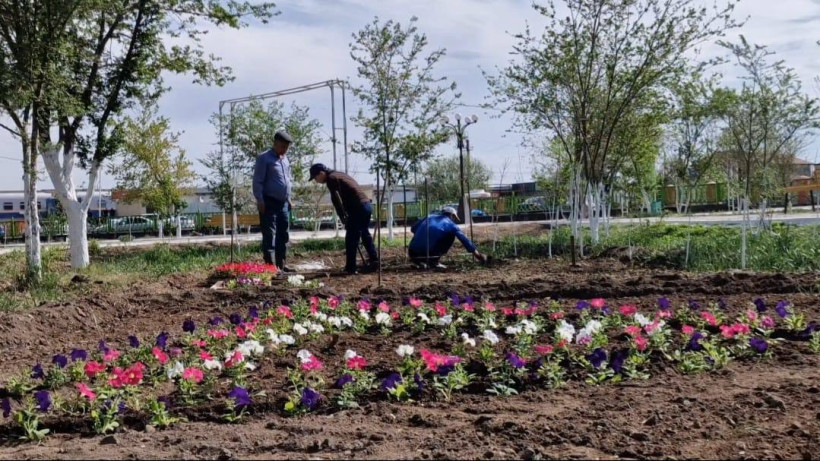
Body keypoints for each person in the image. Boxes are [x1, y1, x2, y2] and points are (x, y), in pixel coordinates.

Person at [309, 163, 379, 274]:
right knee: (364, 233)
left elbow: (336, 199)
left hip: (358, 208)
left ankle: (351, 268)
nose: (316, 181)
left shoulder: (331, 178)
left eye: (315, 177)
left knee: (351, 238)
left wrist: (342, 217)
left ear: (321, 173)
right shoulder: (339, 174)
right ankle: (374, 260)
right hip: (366, 205)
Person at [253, 131, 294, 271]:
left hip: (283, 203)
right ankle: (270, 267)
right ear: (276, 143)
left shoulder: (285, 159)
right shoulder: (264, 158)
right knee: (270, 235)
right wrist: (260, 200)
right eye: (283, 146)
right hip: (269, 202)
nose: (285, 150)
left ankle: (281, 264)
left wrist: (289, 199)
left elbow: (287, 180)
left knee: (283, 234)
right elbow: (258, 181)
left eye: (287, 147)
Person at [408, 206, 486, 269]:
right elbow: (464, 240)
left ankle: (419, 262)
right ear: (452, 216)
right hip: (430, 252)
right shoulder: (451, 225)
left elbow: (413, 228)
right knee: (450, 235)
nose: (454, 220)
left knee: (423, 233)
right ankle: (434, 262)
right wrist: (478, 255)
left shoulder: (429, 217)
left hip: (412, 252)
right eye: (454, 218)